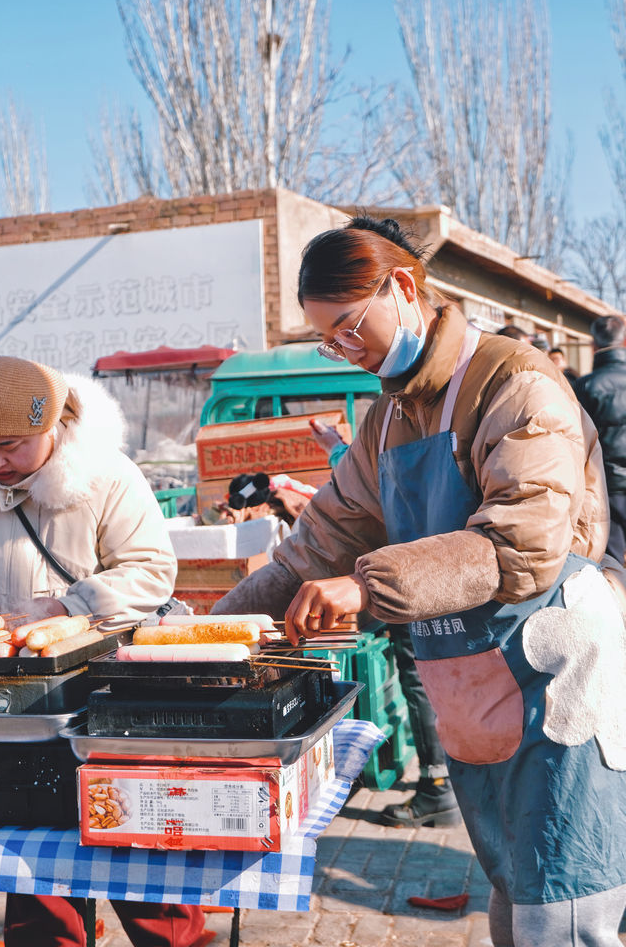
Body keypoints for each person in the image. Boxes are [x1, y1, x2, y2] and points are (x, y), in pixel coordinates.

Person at [212, 215, 626, 946]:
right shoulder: (387, 421)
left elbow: (523, 544)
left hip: (556, 686)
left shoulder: (516, 381)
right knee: (515, 897)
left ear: (403, 287)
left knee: (563, 908)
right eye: (327, 340)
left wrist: (369, 589)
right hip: (475, 695)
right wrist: (213, 635)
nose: (345, 351)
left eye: (348, 328)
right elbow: (315, 546)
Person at [0, 356, 212, 947]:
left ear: (51, 428)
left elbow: (151, 570)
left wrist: (68, 609)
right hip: (12, 702)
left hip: (110, 693)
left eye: (8, 445)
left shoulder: (105, 476)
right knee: (34, 854)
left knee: (131, 839)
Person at [309, 417, 460, 827]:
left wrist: (335, 450)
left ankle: (438, 786)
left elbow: (371, 482)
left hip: (411, 576)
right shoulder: (438, 429)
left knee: (420, 679)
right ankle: (448, 781)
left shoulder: (403, 433)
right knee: (432, 676)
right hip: (441, 572)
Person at [575, 314, 626, 565]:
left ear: (593, 345)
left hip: (606, 483)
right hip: (609, 481)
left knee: (613, 560)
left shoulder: (584, 386)